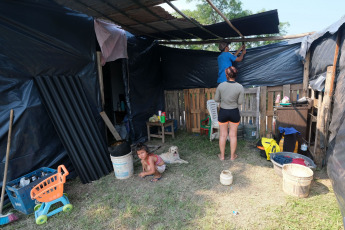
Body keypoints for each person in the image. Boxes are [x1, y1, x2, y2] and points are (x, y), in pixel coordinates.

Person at [214, 66, 244, 161]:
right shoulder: (240, 87)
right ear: (236, 75)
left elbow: (216, 99)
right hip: (234, 112)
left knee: (223, 135)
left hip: (223, 112)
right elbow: (240, 102)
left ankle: (222, 156)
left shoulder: (221, 86)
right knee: (233, 135)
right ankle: (232, 157)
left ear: (226, 75)